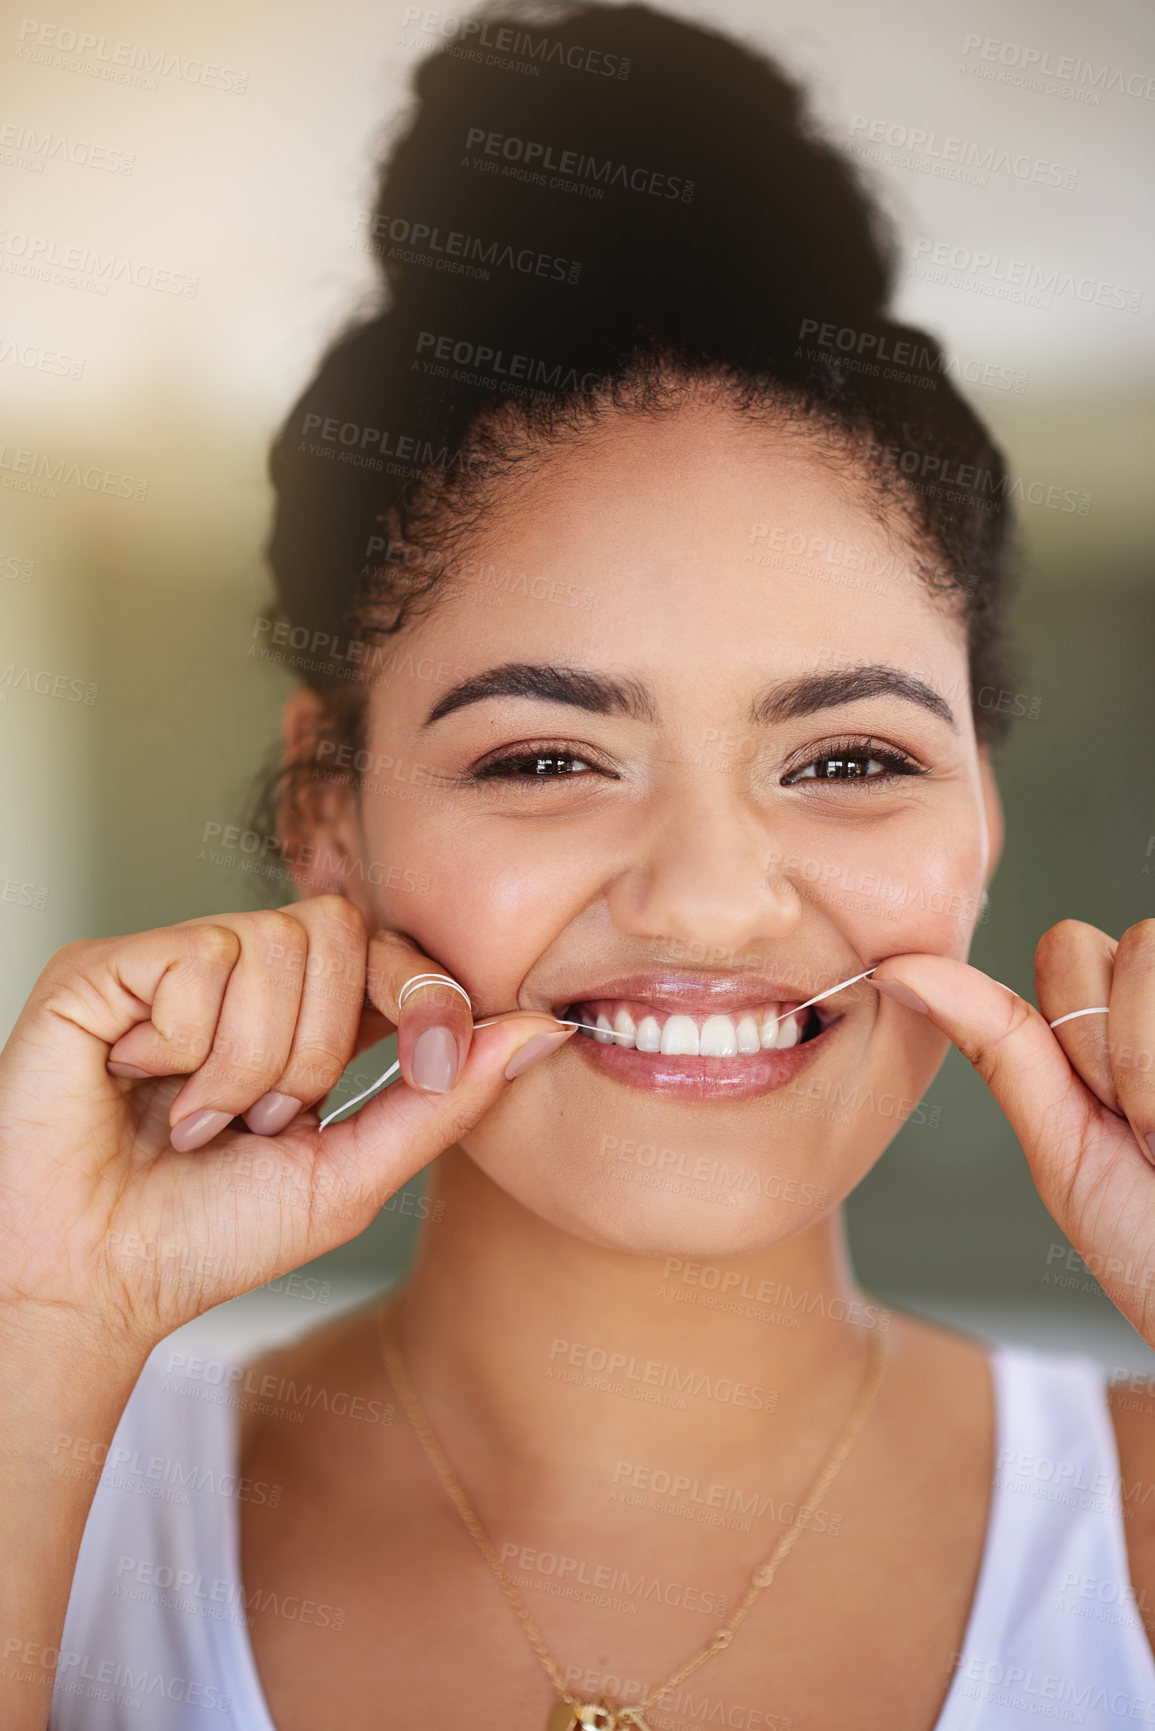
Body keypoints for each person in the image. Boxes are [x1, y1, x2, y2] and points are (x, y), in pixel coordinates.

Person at [2, 4, 1153, 1727]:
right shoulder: (58, 1496)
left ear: (979, 819)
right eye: (546, 758)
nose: (708, 897)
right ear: (329, 804)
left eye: (851, 760)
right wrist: (33, 1328)